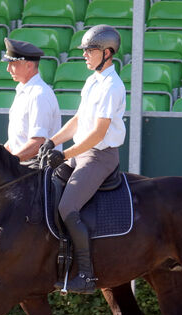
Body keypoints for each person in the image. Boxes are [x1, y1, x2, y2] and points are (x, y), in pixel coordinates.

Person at [39, 25, 126, 294]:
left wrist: (64, 154)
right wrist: (52, 141)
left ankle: (86, 276)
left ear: (108, 53)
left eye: (91, 50)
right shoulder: (92, 81)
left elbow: (99, 132)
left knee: (67, 208)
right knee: (46, 188)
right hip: (81, 152)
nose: (85, 55)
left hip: (100, 156)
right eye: (85, 50)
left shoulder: (112, 86)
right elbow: (78, 121)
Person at [2, 38, 62, 162]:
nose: (8, 69)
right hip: (25, 166)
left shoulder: (38, 95)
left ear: (29, 65)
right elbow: (18, 139)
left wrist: (10, 162)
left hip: (35, 169)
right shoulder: (25, 91)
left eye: (13, 64)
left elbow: (38, 144)